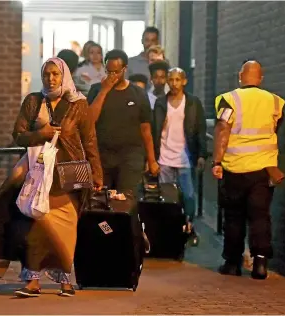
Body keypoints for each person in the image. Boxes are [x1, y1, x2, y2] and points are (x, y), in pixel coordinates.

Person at [12, 57, 103, 297]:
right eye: (46, 74)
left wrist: (97, 174)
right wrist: (40, 133)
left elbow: (90, 141)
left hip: (69, 175)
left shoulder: (78, 104)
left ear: (64, 76)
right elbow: (18, 135)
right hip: (39, 175)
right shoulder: (33, 102)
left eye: (55, 74)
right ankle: (32, 281)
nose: (50, 79)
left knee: (65, 227)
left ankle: (65, 280)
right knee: (36, 227)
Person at [212, 60, 285, 280]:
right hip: (263, 170)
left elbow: (223, 129)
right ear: (261, 79)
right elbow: (277, 126)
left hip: (235, 168)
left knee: (234, 216)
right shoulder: (275, 101)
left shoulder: (229, 99)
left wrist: (217, 161)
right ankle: (260, 263)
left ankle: (232, 264)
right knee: (260, 216)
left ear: (240, 76)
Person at [88, 49, 159, 197]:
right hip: (103, 156)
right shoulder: (96, 90)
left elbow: (146, 129)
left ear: (125, 69)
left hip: (131, 156)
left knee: (127, 199)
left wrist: (152, 160)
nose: (112, 76)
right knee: (102, 200)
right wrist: (104, 91)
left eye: (116, 72)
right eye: (108, 72)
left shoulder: (138, 93)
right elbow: (89, 121)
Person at [152, 68, 207, 245]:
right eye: (171, 80)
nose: (174, 83)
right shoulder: (161, 103)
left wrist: (201, 154)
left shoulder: (192, 103)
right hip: (165, 156)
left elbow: (200, 129)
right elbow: (154, 130)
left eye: (177, 80)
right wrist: (152, 157)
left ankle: (189, 226)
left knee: (188, 195)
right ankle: (167, 229)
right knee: (166, 195)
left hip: (185, 156)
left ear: (184, 81)